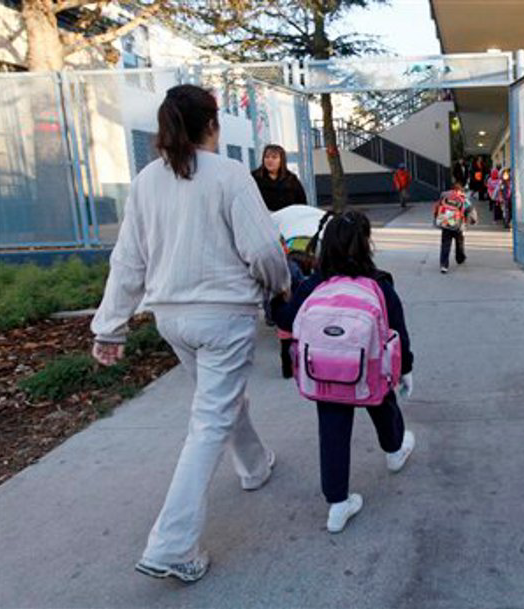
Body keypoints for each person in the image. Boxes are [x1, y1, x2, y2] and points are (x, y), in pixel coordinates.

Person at [91, 85, 291, 583]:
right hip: (224, 315)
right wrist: (281, 286)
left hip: (172, 320)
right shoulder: (228, 176)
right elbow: (265, 249)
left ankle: (254, 466)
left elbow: (128, 261)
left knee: (218, 403)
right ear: (212, 125)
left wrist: (110, 326)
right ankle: (172, 545)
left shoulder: (145, 181)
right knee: (208, 421)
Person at [270, 210, 416, 534]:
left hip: (326, 374)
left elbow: (284, 320)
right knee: (383, 403)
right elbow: (398, 333)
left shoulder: (314, 284)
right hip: (369, 374)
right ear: (366, 245)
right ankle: (394, 451)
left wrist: (276, 301)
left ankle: (337, 504)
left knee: (332, 430)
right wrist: (405, 368)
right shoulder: (380, 285)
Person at [433, 181, 476, 274]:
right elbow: (471, 210)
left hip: (446, 223)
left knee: (445, 244)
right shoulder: (463, 199)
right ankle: (460, 258)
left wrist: (436, 217)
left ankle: (444, 265)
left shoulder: (444, 196)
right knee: (459, 242)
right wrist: (473, 220)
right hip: (457, 225)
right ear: (460, 190)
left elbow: (437, 207)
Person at [252, 144, 308, 211]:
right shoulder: (254, 178)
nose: (270, 160)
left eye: (274, 157)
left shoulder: (291, 179)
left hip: (287, 219)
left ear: (282, 160)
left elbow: (302, 204)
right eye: (266, 157)